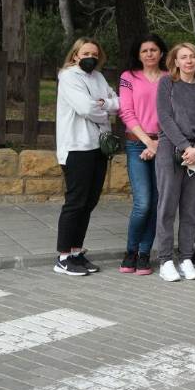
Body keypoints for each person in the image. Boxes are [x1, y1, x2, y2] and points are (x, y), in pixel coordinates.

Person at [54, 38, 119, 276]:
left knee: (89, 202)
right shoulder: (69, 77)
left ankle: (76, 251)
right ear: (75, 55)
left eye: (94, 52)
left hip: (98, 148)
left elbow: (118, 102)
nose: (90, 56)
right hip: (77, 147)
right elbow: (85, 108)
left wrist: (104, 104)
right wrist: (104, 109)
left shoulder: (99, 78)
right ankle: (62, 256)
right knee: (76, 202)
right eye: (85, 53)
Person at [155, 43, 195, 282]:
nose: (189, 61)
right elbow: (164, 117)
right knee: (167, 206)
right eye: (183, 57)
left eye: (192, 57)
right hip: (171, 147)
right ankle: (166, 260)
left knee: (191, 209)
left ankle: (187, 257)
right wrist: (184, 146)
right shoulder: (167, 83)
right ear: (175, 62)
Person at [118, 34, 167, 276]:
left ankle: (145, 254)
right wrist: (149, 142)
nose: (149, 54)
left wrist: (158, 143)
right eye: (144, 50)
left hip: (164, 145)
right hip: (137, 144)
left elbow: (172, 114)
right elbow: (126, 112)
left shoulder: (170, 78)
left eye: (154, 50)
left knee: (157, 203)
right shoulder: (128, 77)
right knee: (143, 203)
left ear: (161, 53)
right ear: (138, 54)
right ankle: (131, 251)